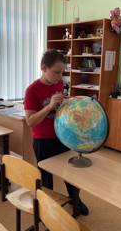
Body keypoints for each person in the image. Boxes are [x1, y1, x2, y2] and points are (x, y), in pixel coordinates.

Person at [24, 50, 89, 216]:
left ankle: (75, 200)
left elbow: (59, 109)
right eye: (56, 72)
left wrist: (70, 105)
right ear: (43, 68)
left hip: (62, 137)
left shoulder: (58, 84)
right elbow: (30, 121)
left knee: (70, 173)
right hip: (42, 141)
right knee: (46, 178)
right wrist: (49, 106)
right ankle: (48, 208)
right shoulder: (32, 90)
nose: (60, 77)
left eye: (62, 72)